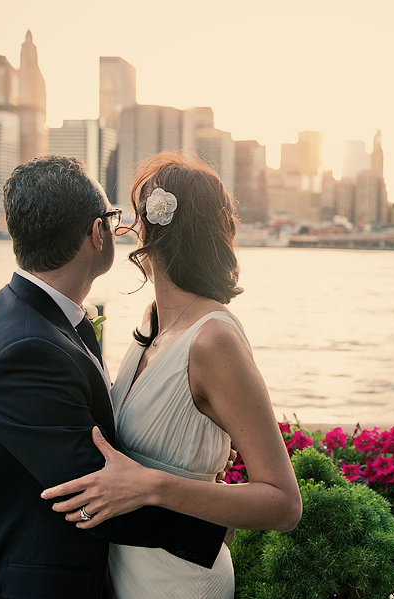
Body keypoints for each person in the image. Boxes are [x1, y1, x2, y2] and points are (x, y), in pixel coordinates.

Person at [0, 155, 227, 599]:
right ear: (97, 234)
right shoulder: (26, 349)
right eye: (112, 219)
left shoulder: (40, 322)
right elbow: (91, 494)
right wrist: (216, 524)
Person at [41, 151, 302, 598]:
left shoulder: (212, 340)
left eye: (135, 216)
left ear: (152, 230)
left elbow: (282, 503)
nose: (125, 228)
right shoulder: (150, 326)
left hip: (181, 581)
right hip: (124, 573)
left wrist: (154, 486)